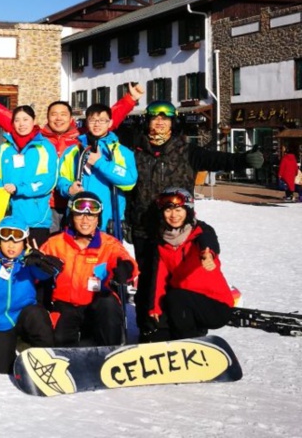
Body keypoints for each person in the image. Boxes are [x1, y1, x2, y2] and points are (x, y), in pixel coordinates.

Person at [127, 100, 264, 334]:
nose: (160, 122)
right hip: (145, 229)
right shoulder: (134, 151)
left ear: (173, 122)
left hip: (180, 231)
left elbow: (217, 159)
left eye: (165, 118)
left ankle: (183, 324)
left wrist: (243, 160)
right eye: (155, 117)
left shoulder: (186, 150)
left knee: (181, 280)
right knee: (149, 282)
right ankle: (149, 329)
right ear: (147, 121)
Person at [0, 84, 143, 231]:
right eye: (53, 115)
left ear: (71, 118)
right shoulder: (38, 138)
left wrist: (129, 99)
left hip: (75, 203)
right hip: (46, 204)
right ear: (47, 118)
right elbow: (14, 123)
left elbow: (103, 120)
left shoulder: (81, 137)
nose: (58, 118)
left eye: (63, 114)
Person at [41, 191, 138, 347]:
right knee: (60, 342)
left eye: (91, 216)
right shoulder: (55, 243)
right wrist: (36, 265)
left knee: (108, 305)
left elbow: (125, 260)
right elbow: (37, 271)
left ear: (97, 218)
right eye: (79, 215)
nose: (85, 220)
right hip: (66, 305)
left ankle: (110, 352)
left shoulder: (108, 243)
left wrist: (125, 268)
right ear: (72, 216)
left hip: (97, 305)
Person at [0, 215, 60, 374]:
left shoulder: (27, 261)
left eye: (16, 240)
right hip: (1, 321)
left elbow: (48, 273)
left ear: (24, 241)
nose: (11, 245)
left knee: (37, 314)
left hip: (25, 316)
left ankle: (47, 357)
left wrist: (41, 262)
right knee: (0, 368)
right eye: (5, 240)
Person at [146, 188, 234, 341]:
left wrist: (208, 255)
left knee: (176, 297)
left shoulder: (199, 233)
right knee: (158, 330)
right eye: (168, 210)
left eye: (179, 210)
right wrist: (155, 308)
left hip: (215, 304)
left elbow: (207, 240)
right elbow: (159, 278)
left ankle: (189, 342)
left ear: (188, 210)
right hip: (184, 306)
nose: (174, 215)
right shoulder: (163, 244)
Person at [57, 103, 137, 235]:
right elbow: (61, 178)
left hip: (108, 222)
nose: (97, 124)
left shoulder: (121, 152)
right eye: (92, 120)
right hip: (78, 218)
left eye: (102, 121)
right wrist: (68, 189)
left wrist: (100, 163)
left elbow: (129, 182)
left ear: (110, 123)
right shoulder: (73, 151)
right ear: (86, 122)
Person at [0, 105, 58, 245]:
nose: (21, 124)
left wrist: (19, 188)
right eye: (17, 120)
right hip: (8, 218)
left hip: (35, 220)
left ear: (34, 121)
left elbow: (48, 181)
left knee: (33, 263)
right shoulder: (3, 150)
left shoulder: (44, 147)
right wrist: (2, 192)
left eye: (25, 119)